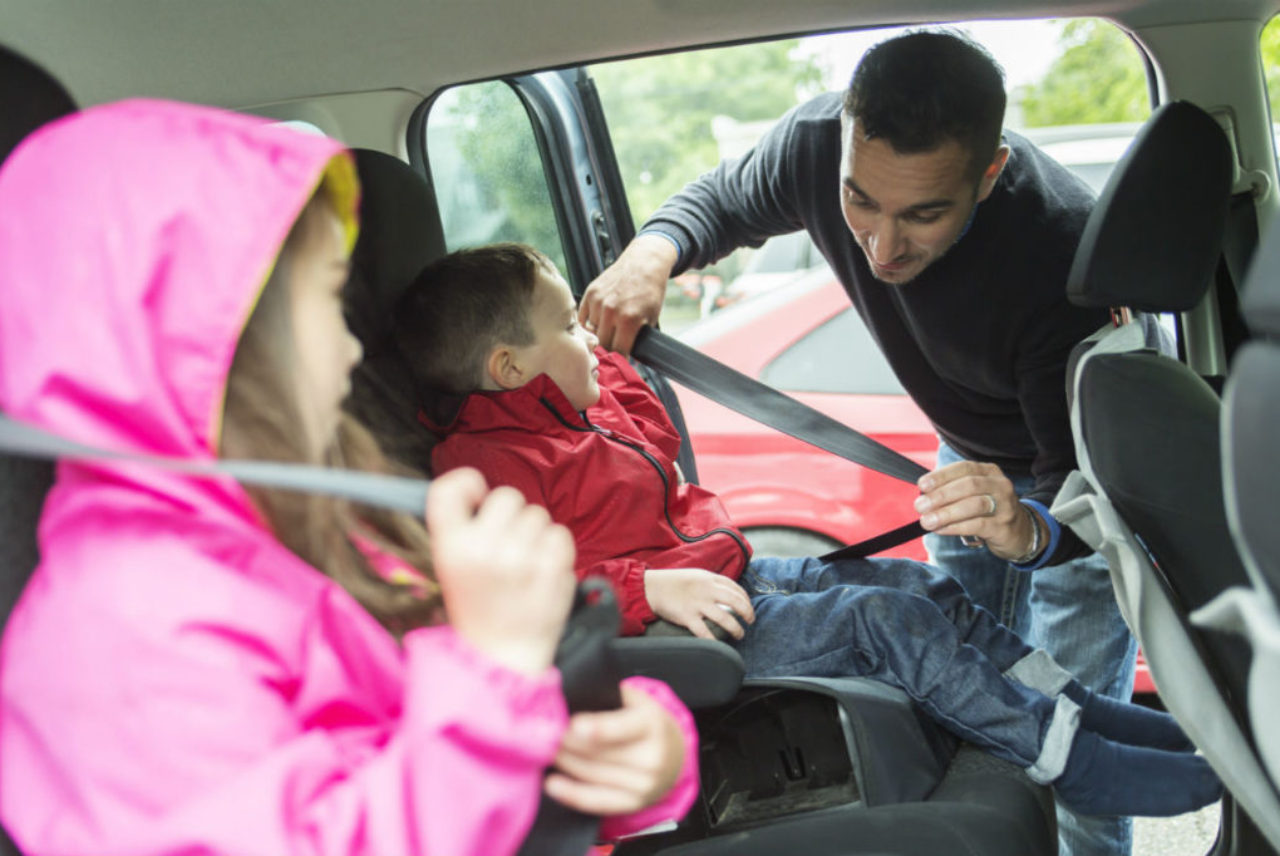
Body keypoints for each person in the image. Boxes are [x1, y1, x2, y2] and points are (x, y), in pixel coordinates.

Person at [0, 100, 698, 855]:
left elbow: (457, 733)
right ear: (216, 337)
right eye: (332, 302)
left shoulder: (319, 530)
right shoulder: (119, 637)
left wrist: (638, 744)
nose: (349, 349)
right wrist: (494, 674)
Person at [389, 241, 1222, 822]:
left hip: (730, 576)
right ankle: (1073, 762)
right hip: (676, 633)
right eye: (568, 324)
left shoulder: (573, 407)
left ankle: (1077, 708)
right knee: (880, 621)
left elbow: (656, 440)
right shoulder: (485, 467)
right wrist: (649, 589)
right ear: (509, 368)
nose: (586, 337)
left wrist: (602, 358)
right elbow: (510, 593)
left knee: (923, 585)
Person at [576, 29, 1140, 855]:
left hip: (1067, 489)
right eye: (859, 202)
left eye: (924, 214)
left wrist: (1030, 530)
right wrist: (651, 253)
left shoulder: (1061, 255)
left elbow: (1074, 498)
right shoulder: (814, 148)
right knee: (966, 703)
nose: (880, 245)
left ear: (989, 173)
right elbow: (722, 202)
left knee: (1075, 747)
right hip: (958, 464)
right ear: (843, 137)